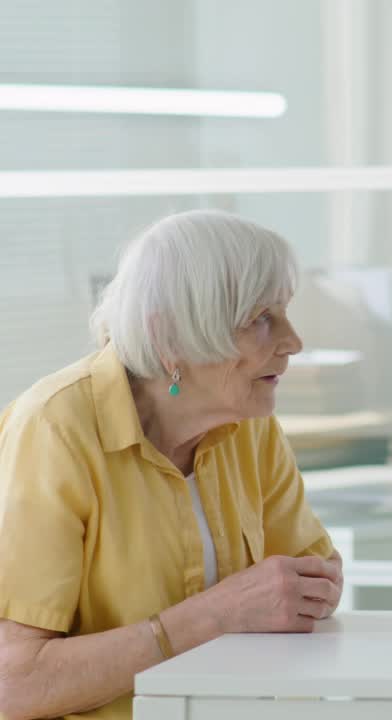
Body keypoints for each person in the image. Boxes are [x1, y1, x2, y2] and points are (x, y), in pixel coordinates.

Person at [0, 210, 343, 720]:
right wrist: (214, 616)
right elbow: (15, 684)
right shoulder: (54, 431)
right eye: (261, 318)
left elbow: (311, 577)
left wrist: (309, 589)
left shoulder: (247, 420)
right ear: (171, 339)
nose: (292, 342)